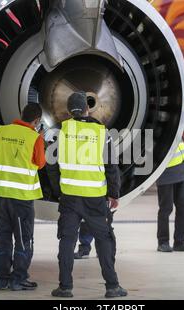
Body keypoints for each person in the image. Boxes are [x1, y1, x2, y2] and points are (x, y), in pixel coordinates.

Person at [48, 91, 126, 298]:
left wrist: (59, 191)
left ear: (69, 110)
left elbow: (52, 167)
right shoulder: (101, 132)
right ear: (87, 108)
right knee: (103, 240)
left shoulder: (60, 131)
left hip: (69, 197)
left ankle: (65, 287)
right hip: (95, 198)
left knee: (67, 240)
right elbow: (111, 167)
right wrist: (114, 194)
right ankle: (112, 286)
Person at [0, 103, 46, 291]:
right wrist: (41, 141)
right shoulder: (34, 138)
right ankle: (18, 278)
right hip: (21, 199)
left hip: (1, 197)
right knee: (23, 239)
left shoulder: (0, 132)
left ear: (21, 115)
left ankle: (2, 278)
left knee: (2, 237)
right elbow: (41, 163)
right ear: (36, 121)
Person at [157, 109, 184, 253]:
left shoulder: (176, 123)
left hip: (182, 169)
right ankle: (163, 242)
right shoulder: (156, 127)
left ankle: (180, 242)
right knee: (166, 209)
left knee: (183, 208)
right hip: (166, 173)